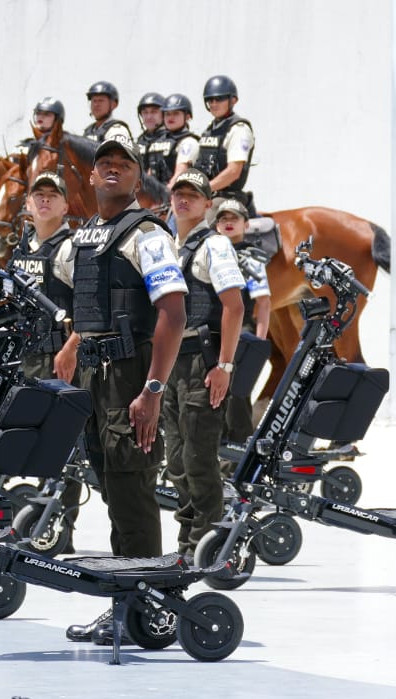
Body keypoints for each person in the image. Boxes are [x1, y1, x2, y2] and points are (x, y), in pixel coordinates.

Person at [50, 139, 186, 642]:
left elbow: (173, 314)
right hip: (94, 379)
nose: (111, 169)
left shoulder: (147, 235)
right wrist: (71, 344)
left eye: (123, 164)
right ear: (90, 177)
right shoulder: (88, 237)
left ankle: (151, 609)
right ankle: (127, 601)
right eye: (103, 163)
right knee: (113, 493)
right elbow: (93, 306)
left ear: (137, 177)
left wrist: (152, 390)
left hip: (131, 379)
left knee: (132, 493)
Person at [160, 170, 245, 559]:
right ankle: (186, 542)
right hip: (171, 362)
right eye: (179, 193)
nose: (183, 200)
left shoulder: (215, 246)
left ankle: (206, 547)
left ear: (207, 204)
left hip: (202, 362)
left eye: (192, 195)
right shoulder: (164, 245)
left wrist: (224, 367)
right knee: (176, 462)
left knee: (198, 460)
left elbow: (234, 306)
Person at [7, 172, 83, 548]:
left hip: (58, 357)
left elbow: (87, 306)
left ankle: (60, 529)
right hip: (26, 354)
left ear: (66, 206)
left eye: (53, 196)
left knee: (61, 442)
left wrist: (71, 347)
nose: (44, 201)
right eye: (38, 195)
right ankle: (32, 516)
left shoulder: (70, 248)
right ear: (28, 204)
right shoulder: (23, 248)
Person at [213, 198, 269, 447]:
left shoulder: (251, 257)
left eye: (233, 219)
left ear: (246, 224)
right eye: (223, 218)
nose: (228, 223)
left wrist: (258, 342)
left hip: (240, 331)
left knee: (237, 396)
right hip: (213, 330)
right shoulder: (210, 251)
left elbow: (264, 302)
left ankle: (237, 454)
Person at [187, 75, 255, 212]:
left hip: (226, 198)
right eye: (210, 100)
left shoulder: (239, 129)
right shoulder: (210, 130)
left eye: (219, 99)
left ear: (233, 100)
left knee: (199, 222)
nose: (213, 103)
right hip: (207, 195)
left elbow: (233, 172)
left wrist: (203, 189)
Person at [158, 93, 200, 187]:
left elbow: (180, 174)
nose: (170, 117)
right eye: (167, 114)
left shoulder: (189, 142)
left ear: (188, 116)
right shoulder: (159, 141)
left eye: (176, 113)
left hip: (177, 194)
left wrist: (162, 194)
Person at [135, 92, 169, 182]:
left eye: (154, 112)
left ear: (163, 114)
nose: (149, 116)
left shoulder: (171, 138)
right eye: (145, 112)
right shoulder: (140, 140)